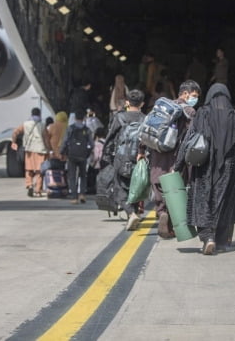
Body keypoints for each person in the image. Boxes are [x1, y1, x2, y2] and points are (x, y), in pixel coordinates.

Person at [174, 83, 235, 255]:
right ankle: (220, 241)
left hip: (203, 167)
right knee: (223, 203)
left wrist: (178, 166)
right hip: (227, 169)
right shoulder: (234, 118)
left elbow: (189, 140)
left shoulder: (202, 114)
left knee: (202, 201)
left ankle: (207, 237)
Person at [147, 79, 201, 239]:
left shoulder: (161, 107)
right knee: (175, 188)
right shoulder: (190, 112)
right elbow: (192, 137)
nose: (195, 99)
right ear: (184, 94)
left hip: (157, 155)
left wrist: (142, 151)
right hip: (176, 157)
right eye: (194, 95)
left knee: (159, 184)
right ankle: (169, 221)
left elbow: (148, 129)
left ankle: (161, 212)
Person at [102, 89, 147, 231]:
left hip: (121, 158)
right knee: (135, 186)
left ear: (127, 102)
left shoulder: (119, 118)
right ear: (142, 104)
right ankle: (133, 214)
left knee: (119, 187)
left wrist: (107, 156)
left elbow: (110, 137)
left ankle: (131, 213)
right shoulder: (145, 119)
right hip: (140, 158)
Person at [11, 107, 50, 197]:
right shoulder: (42, 125)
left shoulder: (25, 124)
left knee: (29, 169)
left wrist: (13, 142)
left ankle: (29, 185)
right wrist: (49, 149)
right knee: (39, 171)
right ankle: (37, 190)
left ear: (32, 114)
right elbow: (46, 138)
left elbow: (15, 132)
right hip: (40, 150)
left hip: (29, 150)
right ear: (39, 114)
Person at [61, 109, 95, 204]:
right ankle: (82, 194)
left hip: (72, 155)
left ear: (75, 118)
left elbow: (65, 141)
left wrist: (62, 152)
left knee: (72, 176)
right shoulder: (87, 130)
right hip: (83, 155)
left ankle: (74, 197)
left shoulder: (70, 128)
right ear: (84, 118)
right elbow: (92, 144)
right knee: (83, 175)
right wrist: (88, 152)